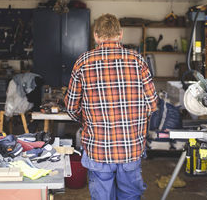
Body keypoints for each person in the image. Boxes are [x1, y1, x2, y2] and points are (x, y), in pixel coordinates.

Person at [64, 13, 158, 200]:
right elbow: (153, 104)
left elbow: (71, 106)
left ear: (96, 36)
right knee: (130, 196)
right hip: (131, 147)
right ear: (120, 34)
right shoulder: (137, 60)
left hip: (98, 148)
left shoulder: (83, 61)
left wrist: (87, 120)